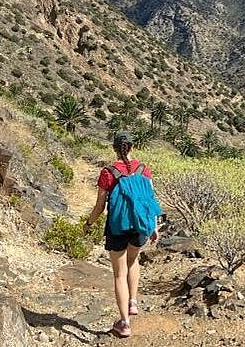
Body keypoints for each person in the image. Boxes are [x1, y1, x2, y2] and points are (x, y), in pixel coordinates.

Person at [84, 131, 160, 338]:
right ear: (133, 146)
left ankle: (124, 323)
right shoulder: (144, 169)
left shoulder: (108, 172)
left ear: (114, 148)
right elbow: (150, 199)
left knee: (119, 274)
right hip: (140, 226)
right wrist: (154, 226)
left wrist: (89, 223)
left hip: (117, 227)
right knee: (133, 260)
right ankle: (133, 301)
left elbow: (100, 206)